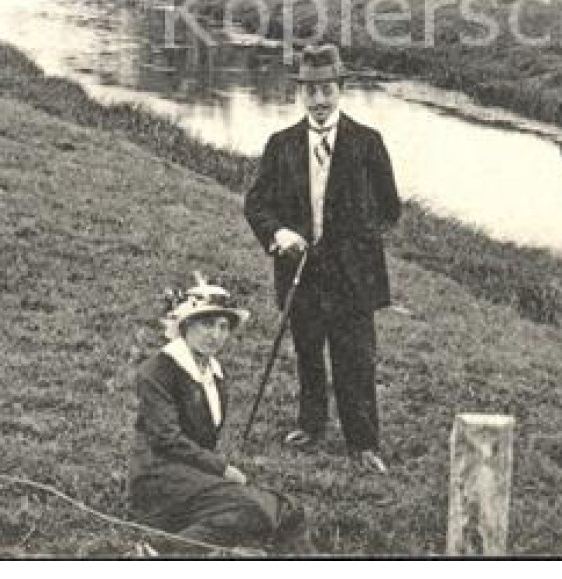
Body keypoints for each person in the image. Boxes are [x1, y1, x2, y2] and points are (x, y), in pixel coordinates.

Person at [243, 43, 400, 475]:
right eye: (310, 91)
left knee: (355, 359)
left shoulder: (368, 144)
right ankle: (311, 427)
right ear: (300, 94)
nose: (318, 100)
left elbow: (390, 208)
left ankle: (364, 444)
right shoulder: (282, 145)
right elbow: (256, 204)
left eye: (326, 90)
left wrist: (355, 242)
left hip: (353, 278)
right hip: (301, 274)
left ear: (340, 89)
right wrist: (279, 233)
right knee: (309, 352)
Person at [129, 272, 304, 554]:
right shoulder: (159, 369)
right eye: (207, 324)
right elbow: (166, 439)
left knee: (288, 509)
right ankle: (162, 551)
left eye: (223, 327)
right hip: (158, 478)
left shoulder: (215, 374)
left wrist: (216, 473)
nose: (216, 335)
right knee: (251, 508)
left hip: (196, 475)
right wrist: (222, 469)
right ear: (186, 324)